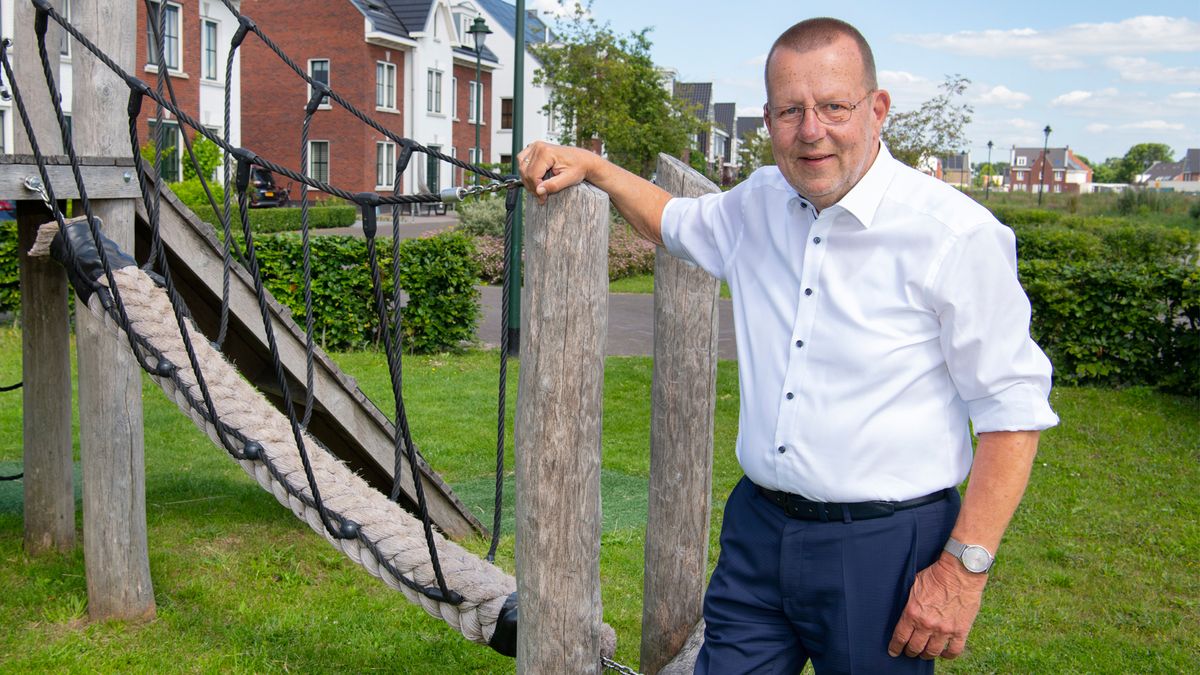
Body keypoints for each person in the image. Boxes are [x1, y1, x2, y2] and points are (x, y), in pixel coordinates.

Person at [518, 17, 1057, 674]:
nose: (811, 131)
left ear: (877, 109)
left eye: (834, 107)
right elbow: (671, 220)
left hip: (883, 549)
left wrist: (963, 570)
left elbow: (1014, 412)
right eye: (790, 111)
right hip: (758, 530)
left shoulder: (955, 236)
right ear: (767, 116)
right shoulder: (758, 205)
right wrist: (596, 168)